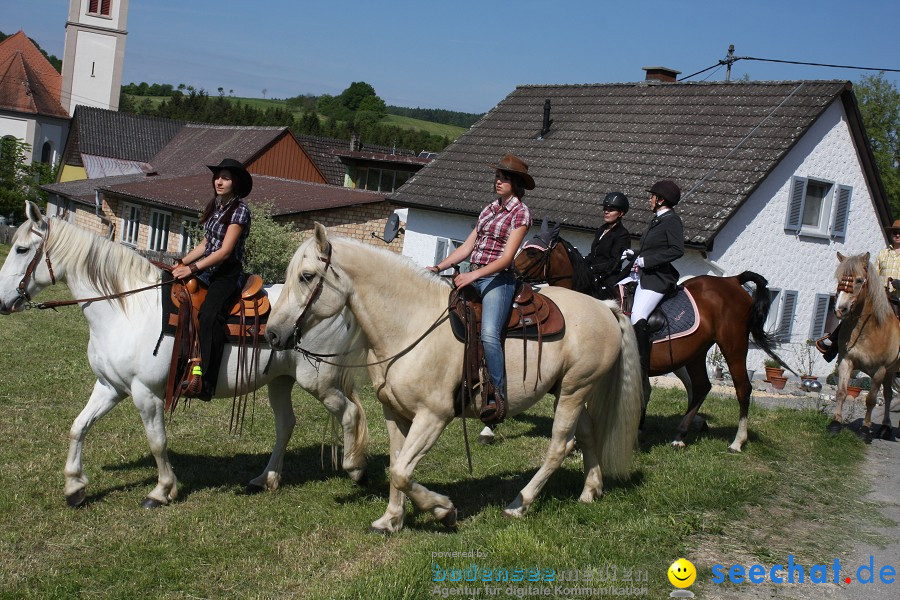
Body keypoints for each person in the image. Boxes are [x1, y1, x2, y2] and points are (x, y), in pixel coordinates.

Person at [427, 154, 534, 421]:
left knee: (488, 333)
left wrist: (473, 276)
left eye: (504, 178)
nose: (498, 181)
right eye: (497, 177)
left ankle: (497, 395)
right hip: (474, 274)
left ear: (516, 184)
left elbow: (507, 259)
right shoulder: (489, 209)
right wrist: (439, 267)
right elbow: (467, 246)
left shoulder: (521, 213)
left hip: (499, 280)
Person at [172, 158, 253, 398]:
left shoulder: (240, 210)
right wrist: (182, 263)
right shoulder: (217, 206)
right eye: (218, 176)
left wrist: (192, 268)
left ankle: (207, 382)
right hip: (208, 269)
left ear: (235, 182)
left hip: (227, 274)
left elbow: (224, 251)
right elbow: (207, 243)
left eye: (226, 177)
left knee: (209, 315)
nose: (219, 181)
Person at [625, 180, 684, 424]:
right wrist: (635, 256)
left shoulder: (672, 221)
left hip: (658, 279)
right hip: (645, 275)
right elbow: (651, 247)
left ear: (660, 199)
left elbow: (676, 250)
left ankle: (640, 368)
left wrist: (647, 261)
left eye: (652, 197)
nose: (649, 200)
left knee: (637, 317)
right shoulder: (657, 219)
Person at [817, 219, 900, 361]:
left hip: (898, 298)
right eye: (895, 232)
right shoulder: (883, 254)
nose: (897, 235)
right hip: (881, 295)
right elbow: (873, 275)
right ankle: (834, 341)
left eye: (899, 233)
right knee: (855, 311)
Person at [585, 192, 631, 299]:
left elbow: (613, 263)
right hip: (593, 275)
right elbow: (593, 255)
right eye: (605, 209)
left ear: (621, 213)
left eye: (611, 210)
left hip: (607, 280)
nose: (606, 212)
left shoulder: (622, 235)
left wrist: (591, 268)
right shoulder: (601, 229)